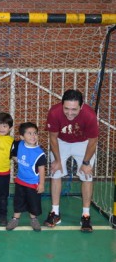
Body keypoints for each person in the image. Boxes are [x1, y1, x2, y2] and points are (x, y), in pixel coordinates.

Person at [44, 89, 99, 232]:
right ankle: (55, 212)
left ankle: (85, 215)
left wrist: (86, 163)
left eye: (74, 109)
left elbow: (93, 142)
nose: (69, 113)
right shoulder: (54, 112)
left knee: (87, 176)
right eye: (66, 108)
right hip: (62, 142)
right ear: (62, 105)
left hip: (83, 143)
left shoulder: (90, 115)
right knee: (55, 172)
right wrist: (57, 160)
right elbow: (53, 138)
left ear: (81, 106)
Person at [6, 122, 46, 232]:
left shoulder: (39, 153)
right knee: (18, 201)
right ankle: (15, 219)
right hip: (20, 181)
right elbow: (13, 155)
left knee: (33, 203)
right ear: (22, 137)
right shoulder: (19, 145)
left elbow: (42, 170)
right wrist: (18, 160)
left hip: (33, 183)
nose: (33, 136)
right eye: (29, 133)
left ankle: (33, 219)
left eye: (35, 133)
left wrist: (41, 184)